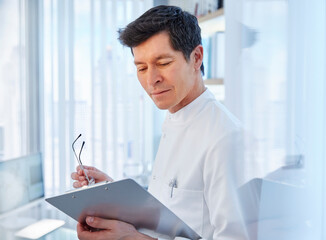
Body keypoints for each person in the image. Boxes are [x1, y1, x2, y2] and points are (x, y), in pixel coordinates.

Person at [71, 5, 248, 240]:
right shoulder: (174, 118)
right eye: (141, 68)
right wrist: (117, 198)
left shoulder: (225, 137)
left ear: (196, 58)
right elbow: (170, 212)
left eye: (163, 63)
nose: (151, 80)